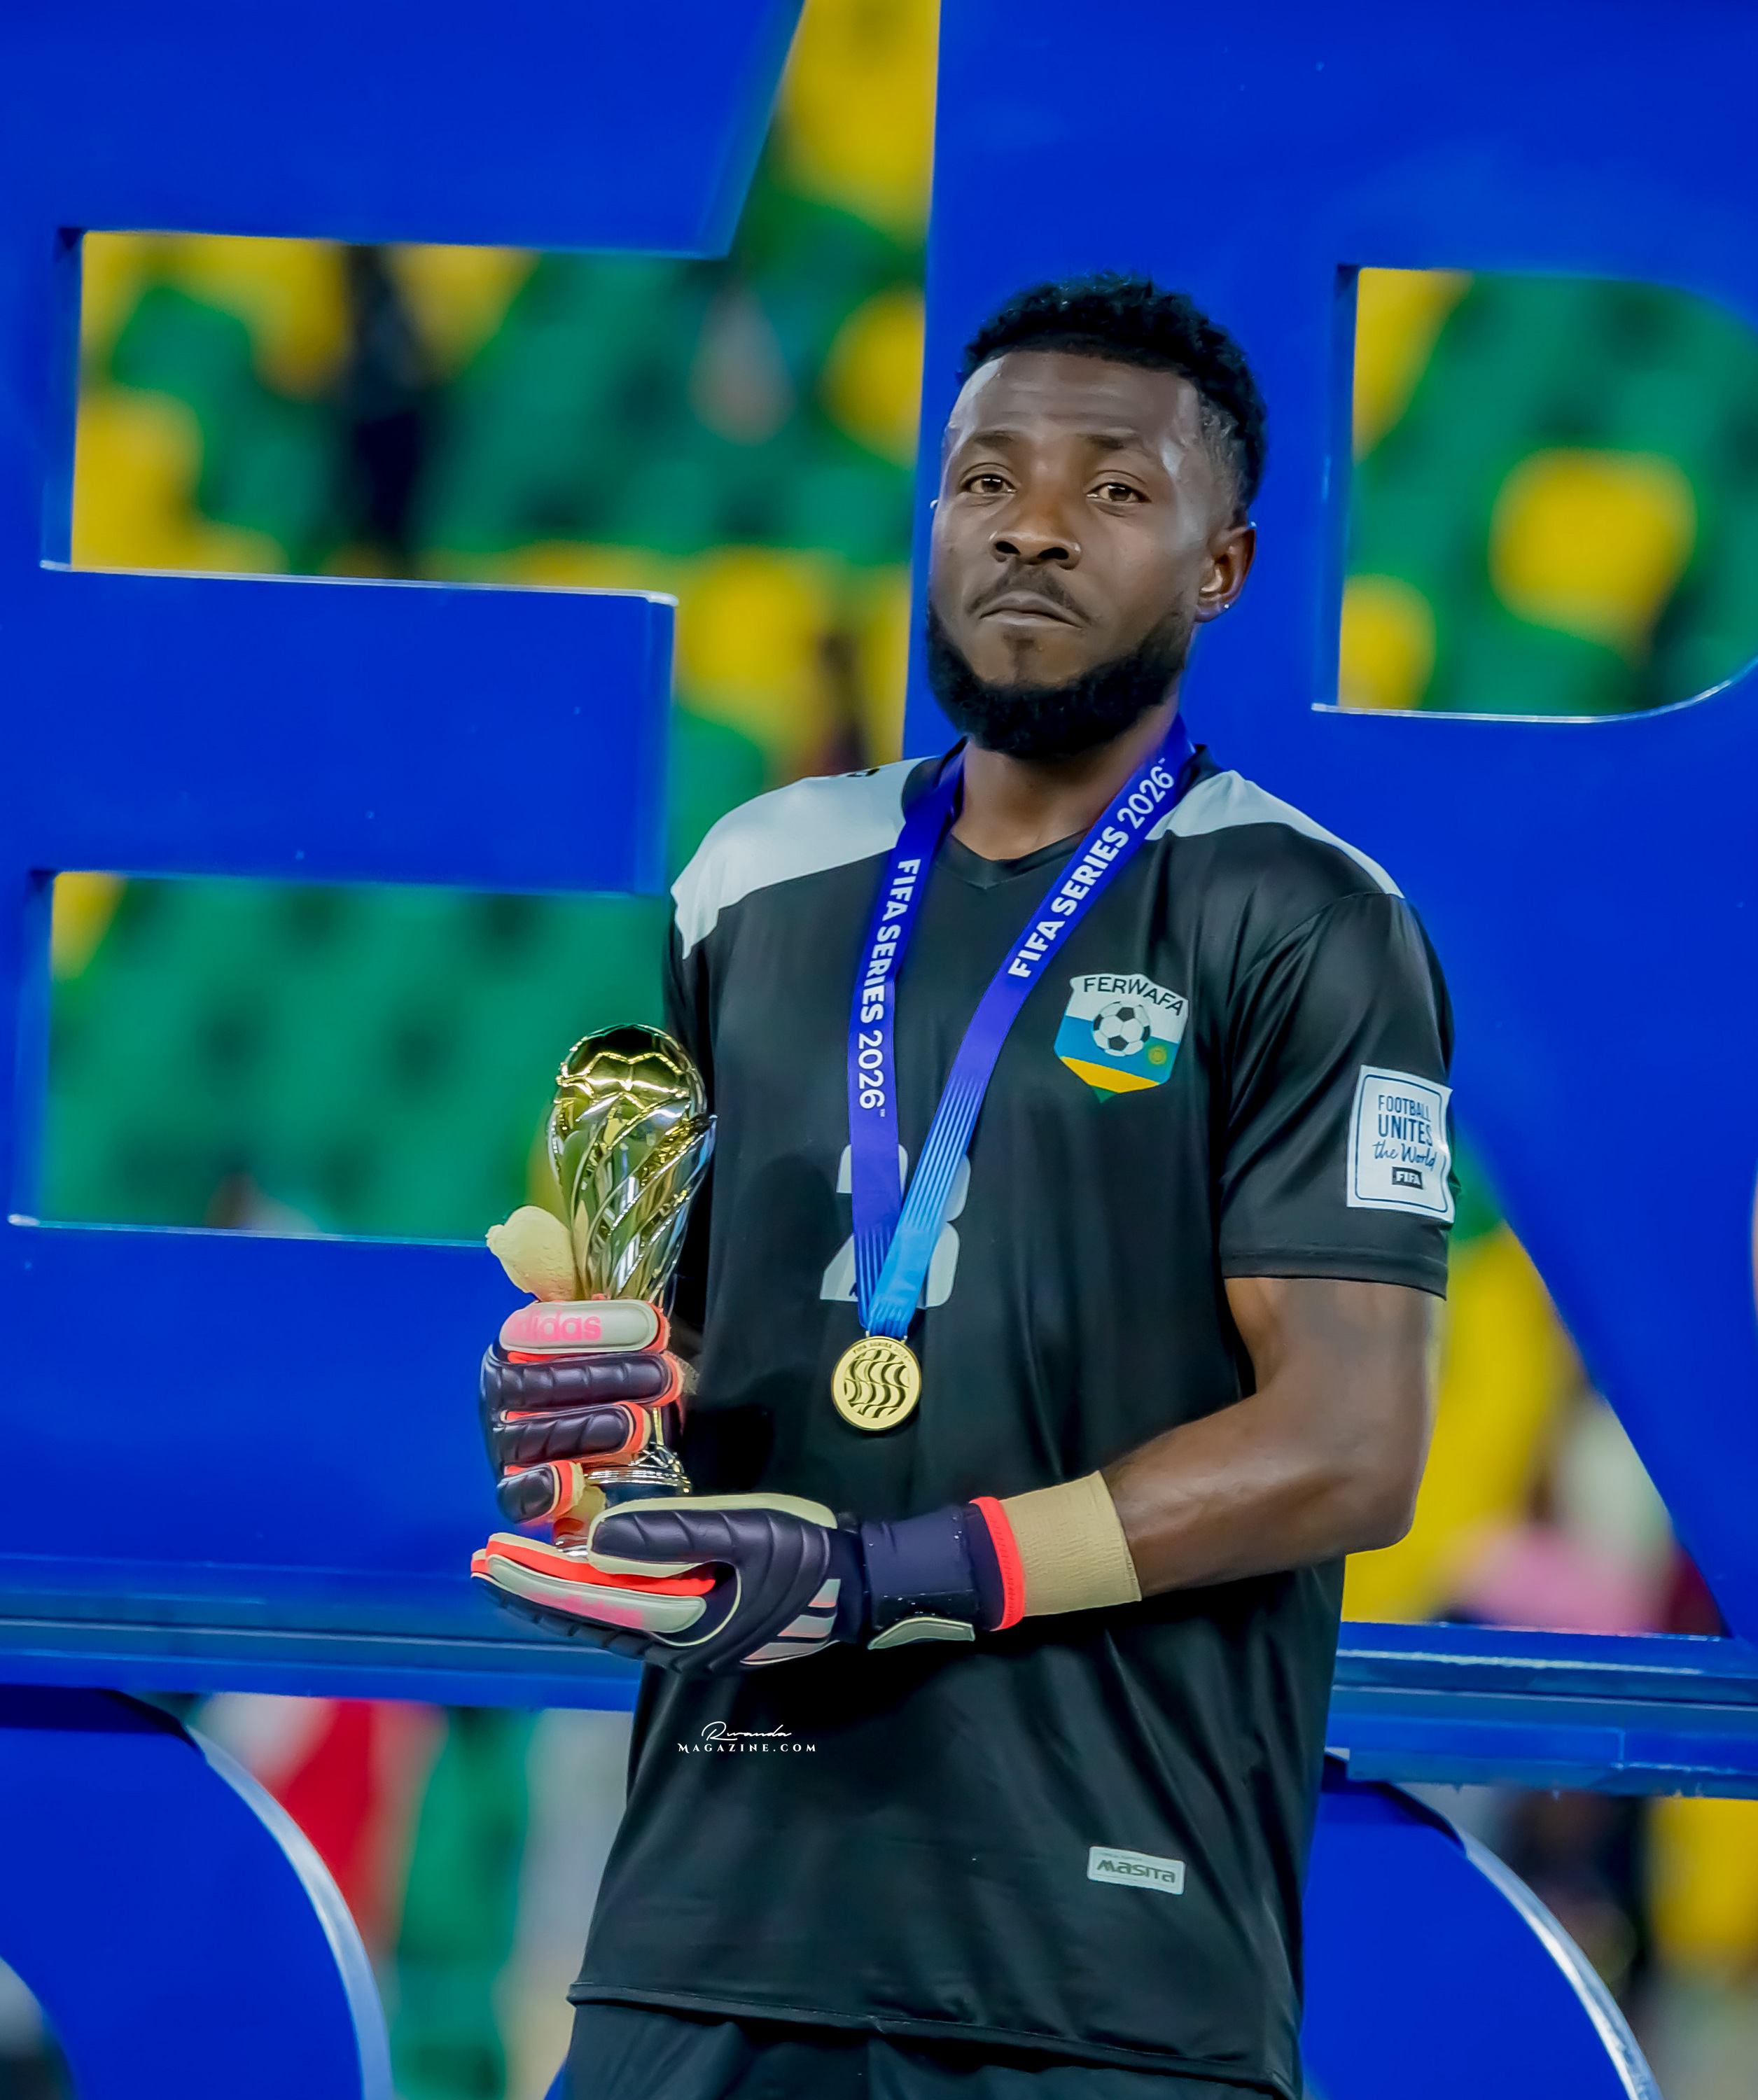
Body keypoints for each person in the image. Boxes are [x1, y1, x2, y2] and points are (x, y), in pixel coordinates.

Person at [475, 273, 1453, 2100]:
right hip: (711, 1916)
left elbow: (1349, 1445)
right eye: (987, 479)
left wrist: (894, 1578)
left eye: (1114, 489)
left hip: (1100, 1953)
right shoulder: (758, 878)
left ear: (1224, 566)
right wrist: (591, 1426)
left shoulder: (1303, 916)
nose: (1032, 526)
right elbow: (696, 1349)